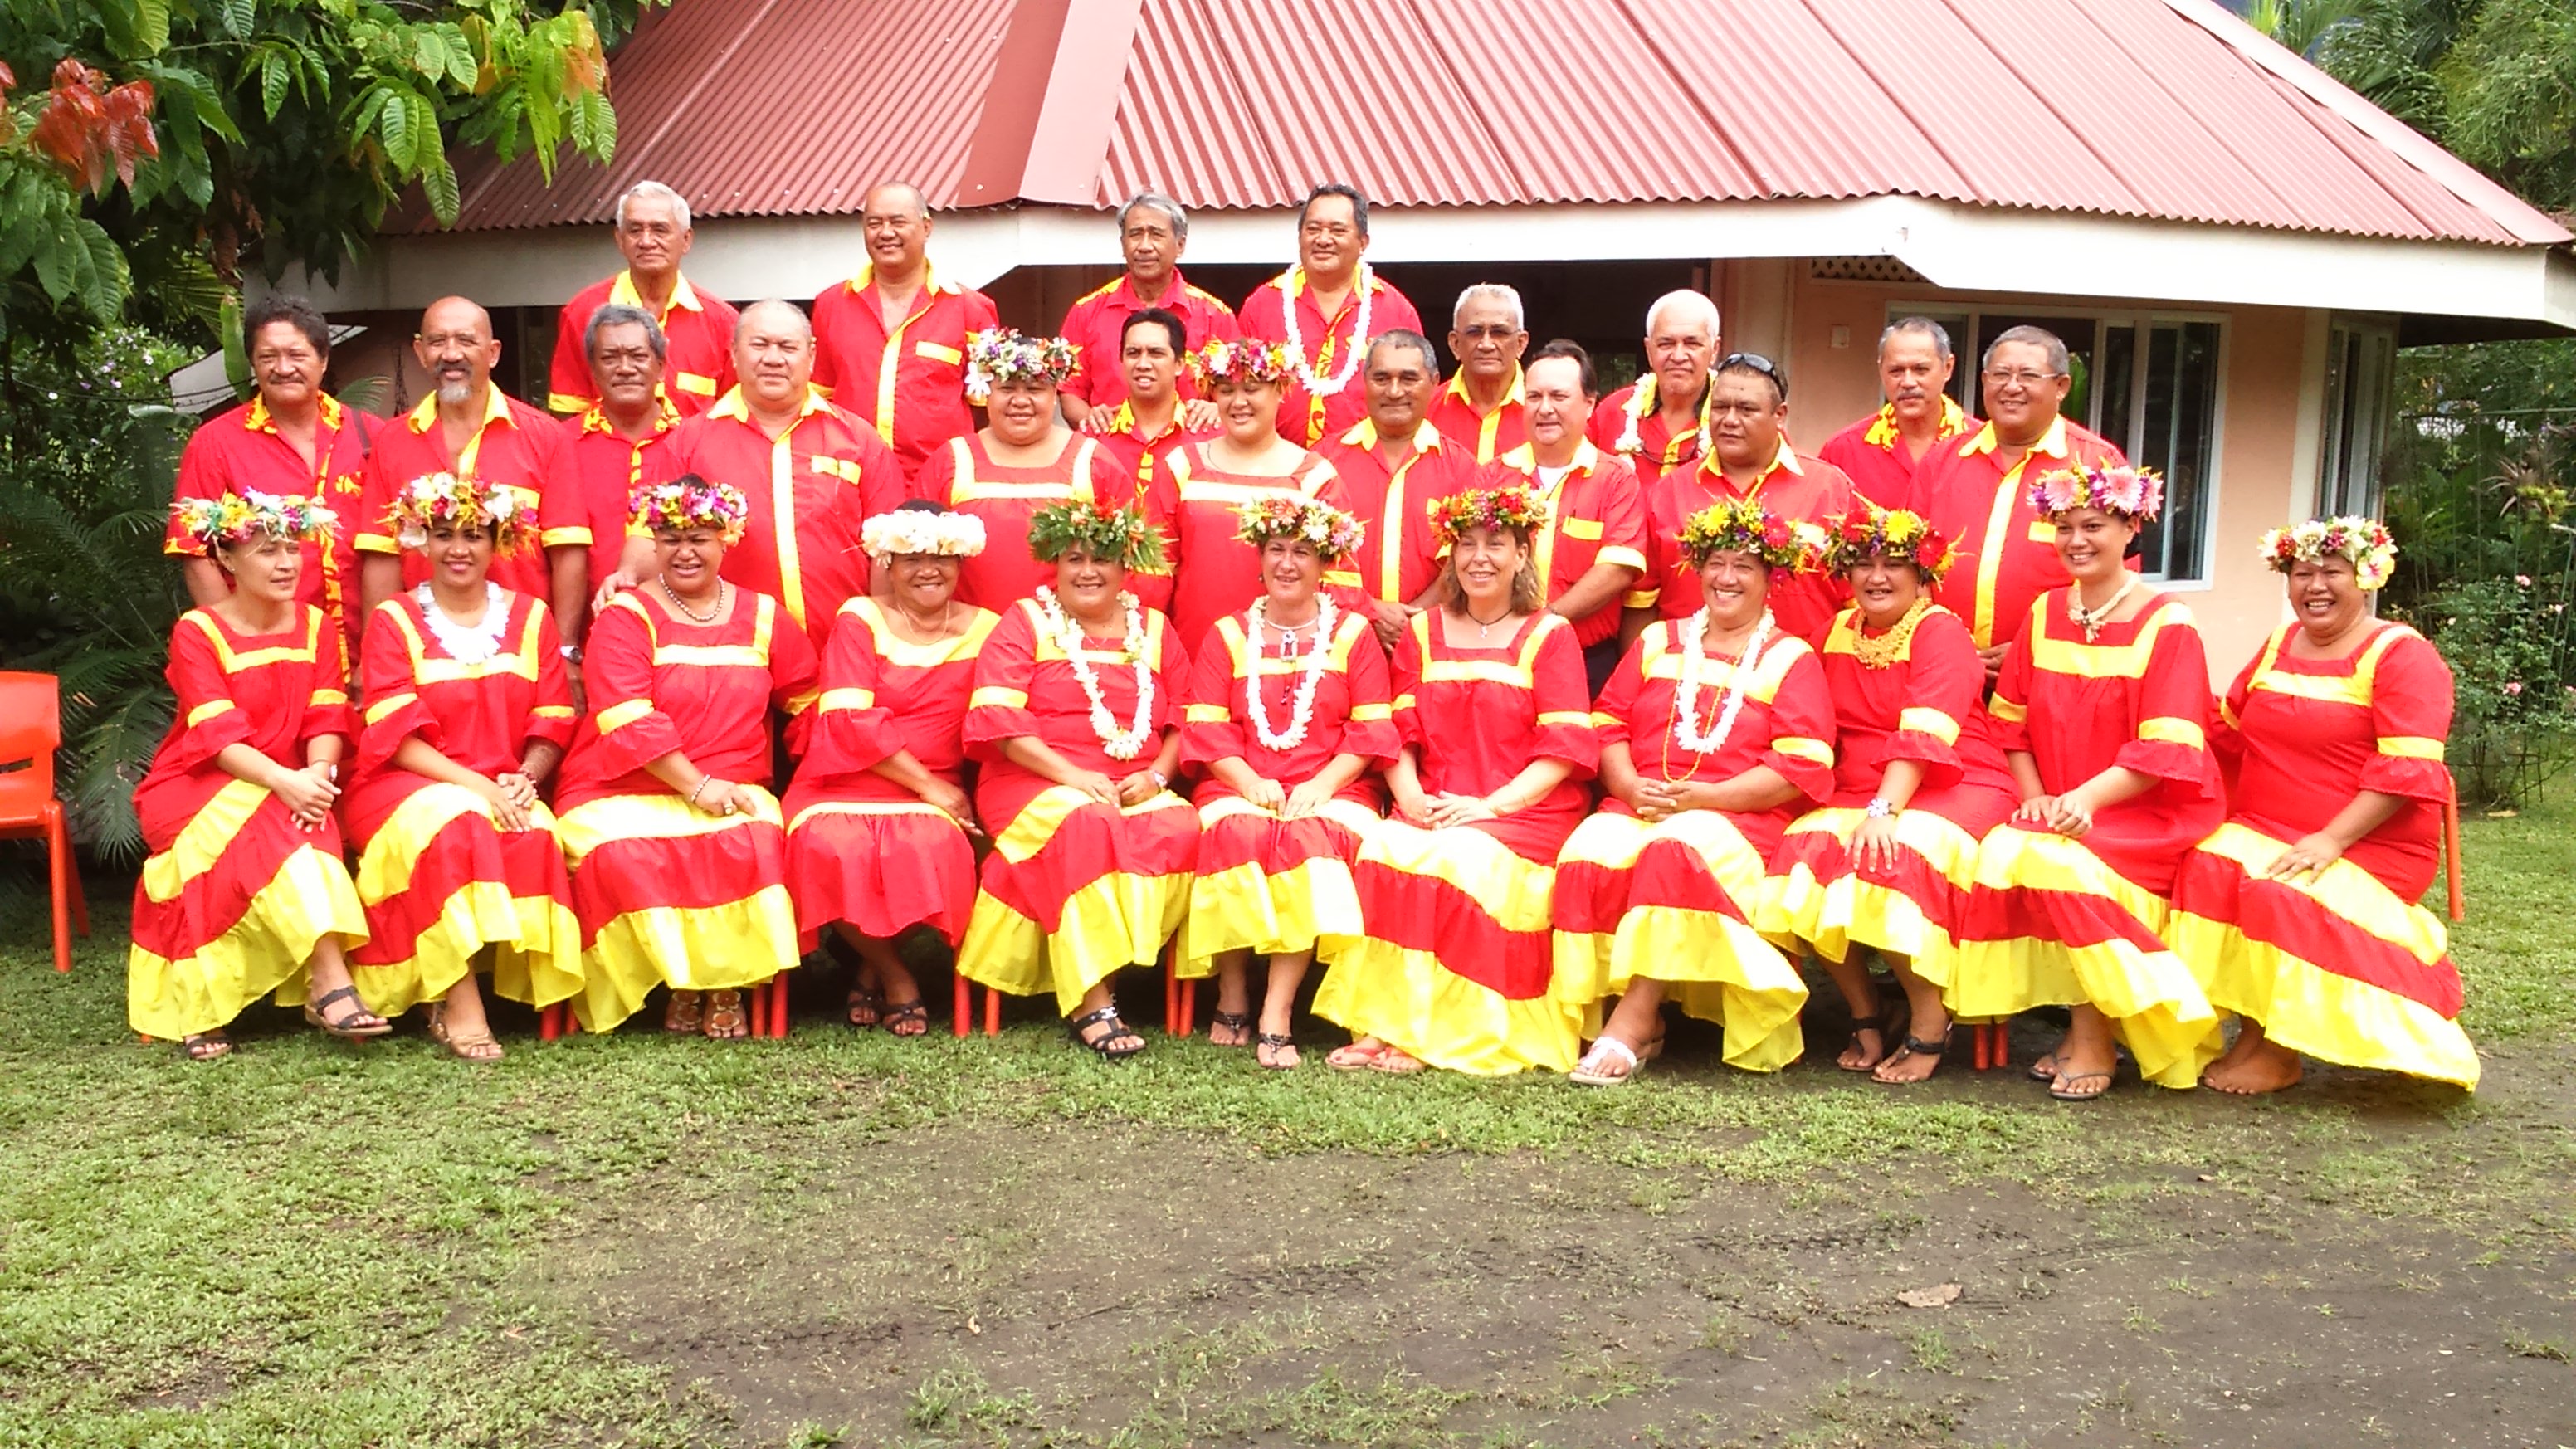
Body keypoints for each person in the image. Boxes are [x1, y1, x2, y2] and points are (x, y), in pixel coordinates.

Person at [2169, 520, 2479, 1093]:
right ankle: (2246, 1032)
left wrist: (2332, 839)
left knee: (2279, 893)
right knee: (2204, 869)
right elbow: (2227, 729)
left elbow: (2408, 772)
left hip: (2367, 842)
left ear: (2366, 577)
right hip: (2265, 825)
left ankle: (2280, 1050)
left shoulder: (2403, 655)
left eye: (2331, 572)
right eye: (2301, 573)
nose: (2315, 586)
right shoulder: (2279, 643)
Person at [1951, 466, 2223, 1100]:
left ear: (2130, 528)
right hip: (2060, 802)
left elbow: (2168, 747)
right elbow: (2010, 723)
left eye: (2093, 526)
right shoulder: (2045, 612)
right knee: (2007, 850)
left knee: (2057, 864)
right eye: (2065, 527)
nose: (2076, 541)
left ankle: (2094, 1034)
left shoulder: (2167, 621)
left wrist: (2084, 800)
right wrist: (2037, 797)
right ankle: (2082, 1025)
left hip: (2144, 808)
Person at [1313, 486, 1598, 1075]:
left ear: (1522, 554)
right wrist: (1411, 797)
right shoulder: (1422, 632)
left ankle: (1436, 1030)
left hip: (1523, 810)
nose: (1479, 558)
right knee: (1385, 849)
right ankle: (1380, 1023)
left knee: (1462, 860)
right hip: (1437, 798)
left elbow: (1564, 749)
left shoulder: (1550, 634)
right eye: (1466, 544)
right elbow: (1397, 730)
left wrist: (1492, 806)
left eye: (1496, 544)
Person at [1554, 500, 1836, 1081]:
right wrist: (1629, 785)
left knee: (1674, 850)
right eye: (1716, 564)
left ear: (1771, 579)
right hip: (1642, 801)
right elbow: (1607, 723)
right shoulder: (1659, 640)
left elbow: (1798, 767)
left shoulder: (1791, 657)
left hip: (1738, 820)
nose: (1726, 578)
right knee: (1587, 850)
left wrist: (1702, 799)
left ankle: (1633, 1021)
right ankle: (1595, 1012)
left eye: (1744, 567)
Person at [551, 476, 819, 1037]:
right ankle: (681, 983)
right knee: (627, 856)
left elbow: (809, 702)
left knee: (754, 841)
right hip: (623, 785)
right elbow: (626, 718)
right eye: (671, 539)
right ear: (653, 544)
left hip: (733, 784)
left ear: (726, 539)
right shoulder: (626, 615)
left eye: (699, 538)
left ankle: (723, 985)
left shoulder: (764, 614)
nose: (685, 552)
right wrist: (697, 786)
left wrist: (818, 780)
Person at [1764, 506, 2019, 1085]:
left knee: (1888, 856)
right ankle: (1868, 1012)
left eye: (1894, 564)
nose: (1876, 577)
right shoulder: (1835, 630)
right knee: (1802, 850)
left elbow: (1925, 736)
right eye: (1862, 564)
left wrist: (1884, 811)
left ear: (1923, 573)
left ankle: (1930, 1020)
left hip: (1954, 781)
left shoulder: (1942, 631)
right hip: (1858, 787)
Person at [129, 491, 383, 1059]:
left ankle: (316, 982)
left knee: (305, 819)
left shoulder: (317, 626)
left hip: (294, 777)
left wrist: (316, 776)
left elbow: (326, 714)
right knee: (277, 817)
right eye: (268, 551)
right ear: (225, 558)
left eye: (292, 548)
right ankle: (328, 982)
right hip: (197, 783)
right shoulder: (198, 631)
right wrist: (288, 784)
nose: (287, 563)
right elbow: (217, 738)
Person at [340, 475, 581, 1060]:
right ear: (421, 540)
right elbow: (396, 738)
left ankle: (520, 991)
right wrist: (480, 788)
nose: (458, 549)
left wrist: (526, 776)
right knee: (460, 824)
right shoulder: (395, 618)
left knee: (538, 830)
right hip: (402, 785)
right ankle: (457, 997)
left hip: (500, 781)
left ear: (498, 543)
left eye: (474, 535)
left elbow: (553, 716)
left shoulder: (532, 616)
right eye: (443, 533)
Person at [955, 501, 1196, 1057]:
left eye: (1102, 559)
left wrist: (1158, 777)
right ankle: (1090, 1000)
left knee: (1180, 825)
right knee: (1088, 823)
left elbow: (1187, 719)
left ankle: (1114, 970)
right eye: (1074, 559)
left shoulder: (1155, 629)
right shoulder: (1026, 621)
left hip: (1132, 781)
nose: (1088, 571)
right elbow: (1000, 723)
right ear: (1056, 565)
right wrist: (1074, 777)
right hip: (1033, 780)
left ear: (1125, 568)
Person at [1179, 497, 1395, 1069]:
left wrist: (1323, 784)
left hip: (1334, 785)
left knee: (1308, 841)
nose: (1287, 563)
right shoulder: (1228, 634)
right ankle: (1232, 992)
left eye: (1302, 552)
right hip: (1238, 780)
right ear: (1259, 558)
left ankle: (1278, 1008)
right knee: (1238, 835)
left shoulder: (1353, 633)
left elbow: (1372, 729)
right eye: (1276, 549)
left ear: (1324, 563)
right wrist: (1249, 780)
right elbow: (1206, 727)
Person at [783, 501, 998, 1037]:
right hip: (843, 779)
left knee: (928, 848)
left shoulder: (988, 628)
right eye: (911, 558)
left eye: (940, 557)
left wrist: (941, 790)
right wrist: (929, 788)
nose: (928, 570)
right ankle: (897, 976)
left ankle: (868, 967)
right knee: (829, 846)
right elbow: (850, 720)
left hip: (937, 784)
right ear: (888, 564)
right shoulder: (860, 617)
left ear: (961, 561)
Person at [630, 299, 905, 654]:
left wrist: (881, 645)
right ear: (734, 353)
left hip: (842, 651)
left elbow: (888, 554)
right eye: (759, 345)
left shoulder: (860, 440)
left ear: (811, 356)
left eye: (787, 347)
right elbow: (649, 541)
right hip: (732, 656)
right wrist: (627, 578)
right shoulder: (688, 444)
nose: (773, 359)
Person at [358, 296, 591, 649]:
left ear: (493, 353)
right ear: (420, 352)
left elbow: (568, 551)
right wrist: (377, 651)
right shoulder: (391, 441)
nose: (451, 354)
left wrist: (564, 647)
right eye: (438, 342)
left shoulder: (546, 437)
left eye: (466, 340)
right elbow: (382, 555)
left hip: (523, 646)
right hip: (421, 649)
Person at [1909, 324, 2127, 671]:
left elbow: (2118, 585)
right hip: (1949, 669)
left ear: (2061, 387)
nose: (2012, 387)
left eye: (2028, 375)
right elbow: (1911, 566)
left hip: (2055, 669)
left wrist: (2034, 648)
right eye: (2000, 375)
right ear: (1984, 381)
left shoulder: (2098, 465)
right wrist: (1943, 643)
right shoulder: (1942, 461)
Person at [168, 295, 373, 663]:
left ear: (323, 360)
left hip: (366, 654)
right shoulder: (215, 443)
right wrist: (239, 648)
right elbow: (196, 554)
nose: (283, 368)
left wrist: (381, 655)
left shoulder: (371, 436)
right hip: (270, 658)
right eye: (268, 357)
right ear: (252, 363)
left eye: (297, 355)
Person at [1628, 352, 1858, 651]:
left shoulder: (1830, 489)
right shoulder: (1668, 492)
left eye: (1747, 409)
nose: (1730, 420)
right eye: (1720, 407)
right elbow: (1640, 603)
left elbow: (1860, 602)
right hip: (1689, 670)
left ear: (1780, 415)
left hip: (1803, 671)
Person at [918, 329, 1154, 613]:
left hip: (1064, 636)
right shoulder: (949, 462)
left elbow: (1132, 566)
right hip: (967, 634)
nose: (1020, 401)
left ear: (1055, 394)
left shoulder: (1095, 464)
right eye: (1007, 388)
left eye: (1034, 389)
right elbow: (912, 559)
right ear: (987, 391)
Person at [1151, 339, 1339, 651]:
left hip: (1287, 659)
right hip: (1193, 650)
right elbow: (1152, 577)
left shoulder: (1315, 477)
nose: (1238, 402)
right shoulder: (1181, 466)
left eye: (1251, 389)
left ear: (1280, 390)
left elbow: (1338, 583)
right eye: (1226, 391)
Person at [809, 182, 1003, 483]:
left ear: (926, 227)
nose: (886, 233)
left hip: (939, 482)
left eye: (898, 222)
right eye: (874, 223)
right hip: (852, 479)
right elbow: (819, 400)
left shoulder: (971, 309)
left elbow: (988, 411)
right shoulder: (831, 305)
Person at [1491, 340, 1649, 694]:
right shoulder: (1493, 477)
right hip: (1499, 654)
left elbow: (1617, 569)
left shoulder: (1616, 480)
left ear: (1590, 403)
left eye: (1559, 397)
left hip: (1585, 659)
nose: (1545, 408)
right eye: (1534, 397)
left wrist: (1546, 622)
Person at [1315, 332, 1483, 649]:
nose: (1394, 391)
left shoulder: (1462, 468)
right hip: (1338, 642)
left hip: (1433, 643)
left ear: (1434, 382)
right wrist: (1369, 612)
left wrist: (1411, 622)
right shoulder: (1323, 462)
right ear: (1365, 382)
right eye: (1382, 378)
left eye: (1409, 379)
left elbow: (1469, 557)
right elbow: (1307, 555)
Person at [1237, 183, 1425, 446]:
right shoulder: (1261, 306)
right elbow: (1237, 391)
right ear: (1299, 237)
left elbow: (1414, 395)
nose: (1323, 240)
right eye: (1313, 229)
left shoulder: (1396, 311)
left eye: (1338, 230)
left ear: (1363, 242)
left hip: (1366, 460)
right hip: (1274, 463)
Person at [546, 180, 739, 417]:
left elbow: (735, 419)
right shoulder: (583, 313)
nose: (646, 241)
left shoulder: (722, 322)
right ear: (620, 240)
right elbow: (568, 414)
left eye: (660, 230)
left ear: (686, 240)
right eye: (635, 230)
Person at [1058, 190, 1238, 427]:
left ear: (1180, 245)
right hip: (1109, 445)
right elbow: (1069, 392)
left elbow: (1238, 393)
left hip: (1195, 445)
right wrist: (1093, 423)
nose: (1144, 246)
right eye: (1135, 234)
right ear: (1123, 244)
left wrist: (1218, 409)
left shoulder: (1215, 316)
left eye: (1156, 234)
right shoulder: (1086, 312)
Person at [562, 303, 679, 607]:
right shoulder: (560, 443)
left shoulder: (693, 440)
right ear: (592, 370)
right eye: (610, 358)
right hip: (585, 620)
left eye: (638, 356)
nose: (625, 368)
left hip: (680, 621)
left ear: (661, 367)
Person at [1817, 317, 1977, 505]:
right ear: (1881, 370)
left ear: (1948, 368)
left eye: (1920, 370)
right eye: (1896, 371)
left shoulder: (1983, 446)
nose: (1908, 382)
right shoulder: (1844, 451)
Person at [1588, 290, 1721, 486]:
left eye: (1692, 344)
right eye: (1666, 344)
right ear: (1649, 351)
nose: (1678, 356)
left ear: (1714, 350)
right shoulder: (1613, 411)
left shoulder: (1736, 417)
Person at [1088, 307, 1208, 508]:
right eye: (1133, 353)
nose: (1143, 364)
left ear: (1179, 364)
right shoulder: (1092, 438)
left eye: (1156, 353)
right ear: (1121, 361)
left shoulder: (1207, 435)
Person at [1428, 284, 1530, 463]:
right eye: (1474, 333)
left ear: (1521, 344)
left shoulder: (1548, 412)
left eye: (1499, 333)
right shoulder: (1426, 410)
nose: (1486, 345)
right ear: (1455, 344)